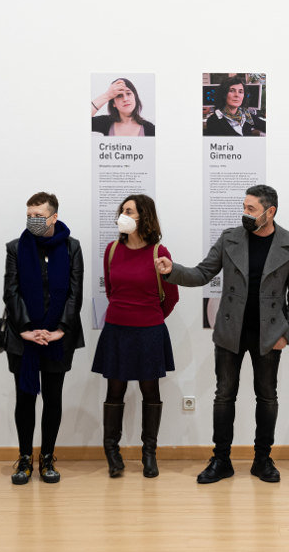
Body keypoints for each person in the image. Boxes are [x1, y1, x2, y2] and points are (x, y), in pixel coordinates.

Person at [155, 185, 289, 484]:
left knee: (267, 397)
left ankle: (262, 460)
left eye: (251, 209)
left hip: (268, 334)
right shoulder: (229, 238)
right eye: (244, 207)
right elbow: (202, 273)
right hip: (230, 331)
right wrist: (172, 271)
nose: (245, 213)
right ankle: (221, 459)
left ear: (269, 212)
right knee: (224, 396)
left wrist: (287, 333)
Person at [92, 194, 179, 478]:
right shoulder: (112, 249)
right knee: (114, 391)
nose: (122, 215)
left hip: (149, 332)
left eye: (128, 210)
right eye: (122, 210)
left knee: (149, 391)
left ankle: (149, 454)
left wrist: (149, 318)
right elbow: (111, 292)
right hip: (117, 329)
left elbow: (171, 297)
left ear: (144, 216)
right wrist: (128, 313)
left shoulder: (159, 251)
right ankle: (112, 452)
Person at [4, 192, 85, 485]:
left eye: (39, 215)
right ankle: (25, 457)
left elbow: (75, 293)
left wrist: (61, 329)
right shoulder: (16, 248)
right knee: (25, 398)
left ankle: (47, 457)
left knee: (53, 399)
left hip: (58, 337)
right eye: (29, 215)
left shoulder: (72, 248)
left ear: (53, 217)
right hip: (22, 337)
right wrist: (26, 328)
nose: (33, 220)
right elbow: (11, 291)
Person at [91, 77, 156, 136]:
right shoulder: (104, 122)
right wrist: (107, 95)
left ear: (135, 97)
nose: (125, 99)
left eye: (128, 93)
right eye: (119, 96)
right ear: (114, 103)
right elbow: (82, 120)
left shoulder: (150, 129)